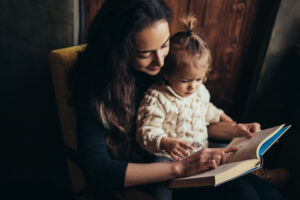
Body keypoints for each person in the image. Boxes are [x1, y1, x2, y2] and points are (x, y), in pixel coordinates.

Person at [67, 0, 285, 199]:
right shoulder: (97, 90)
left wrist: (237, 129)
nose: (161, 62)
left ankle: (260, 175)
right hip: (159, 171)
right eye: (145, 54)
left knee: (271, 196)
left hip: (194, 156)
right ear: (118, 50)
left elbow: (196, 119)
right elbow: (97, 170)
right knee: (244, 195)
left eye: (164, 45)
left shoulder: (174, 69)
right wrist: (181, 167)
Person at [136, 15, 255, 162]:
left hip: (200, 151)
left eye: (199, 79)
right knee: (158, 179)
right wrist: (165, 142)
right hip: (169, 157)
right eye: (185, 81)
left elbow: (207, 110)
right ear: (166, 74)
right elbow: (146, 132)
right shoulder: (157, 98)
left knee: (230, 150)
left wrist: (227, 121)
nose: (193, 86)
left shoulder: (200, 92)